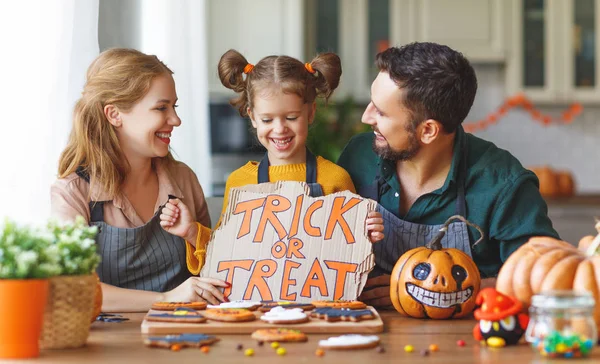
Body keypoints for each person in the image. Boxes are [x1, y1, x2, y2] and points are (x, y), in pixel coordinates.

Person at [337, 42, 559, 307]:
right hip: (364, 329)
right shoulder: (359, 156)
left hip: (469, 339)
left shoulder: (504, 184)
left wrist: (427, 291)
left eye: (381, 112)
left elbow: (545, 276)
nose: (366, 117)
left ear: (428, 131)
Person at [160, 49, 385, 275]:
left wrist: (366, 237)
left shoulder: (336, 179)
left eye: (291, 117)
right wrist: (190, 231)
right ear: (253, 116)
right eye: (267, 119)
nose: (279, 129)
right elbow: (225, 254)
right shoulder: (239, 183)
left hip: (317, 308)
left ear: (310, 113)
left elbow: (350, 257)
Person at [51, 48, 228, 311]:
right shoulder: (74, 191)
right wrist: (168, 298)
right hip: (108, 347)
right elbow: (73, 288)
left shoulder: (183, 179)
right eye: (161, 108)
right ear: (114, 114)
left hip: (186, 334)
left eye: (174, 106)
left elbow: (220, 269)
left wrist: (192, 234)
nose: (175, 120)